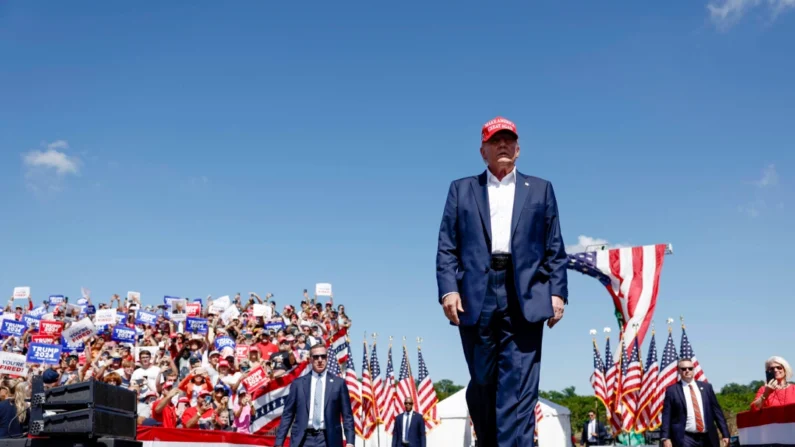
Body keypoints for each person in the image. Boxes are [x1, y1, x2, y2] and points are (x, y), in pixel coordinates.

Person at [435, 116, 568, 446]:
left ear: (519, 149)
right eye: (496, 141)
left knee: (518, 385)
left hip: (526, 293)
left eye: (509, 140)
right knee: (482, 380)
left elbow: (554, 246)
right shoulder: (462, 189)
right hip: (475, 295)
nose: (503, 145)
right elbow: (447, 245)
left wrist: (558, 293)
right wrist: (448, 289)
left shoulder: (540, 189)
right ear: (483, 151)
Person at [275, 344, 355, 447]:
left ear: (327, 358)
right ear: (310, 360)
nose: (320, 360)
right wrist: (278, 443)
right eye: (316, 357)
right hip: (303, 440)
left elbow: (347, 415)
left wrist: (350, 442)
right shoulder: (298, 384)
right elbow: (288, 414)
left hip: (329, 439)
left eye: (323, 356)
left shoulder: (338, 383)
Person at [660, 358, 729, 447]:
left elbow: (717, 412)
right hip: (685, 437)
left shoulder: (707, 388)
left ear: (694, 370)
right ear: (679, 371)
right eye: (684, 369)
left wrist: (725, 434)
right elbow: (666, 416)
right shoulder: (672, 390)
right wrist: (665, 438)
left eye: (690, 368)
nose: (687, 371)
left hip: (707, 437)